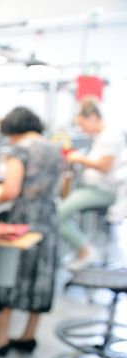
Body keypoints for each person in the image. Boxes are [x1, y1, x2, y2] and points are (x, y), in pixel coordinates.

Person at [0, 107, 61, 356]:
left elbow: (10, 191)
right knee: (41, 275)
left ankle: (0, 339)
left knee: (7, 272)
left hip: (25, 217)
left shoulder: (20, 149)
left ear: (12, 130)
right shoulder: (54, 147)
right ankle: (28, 336)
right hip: (49, 217)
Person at [59, 98, 126, 270]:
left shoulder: (110, 136)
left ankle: (85, 250)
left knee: (56, 214)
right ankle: (83, 249)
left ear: (93, 117)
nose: (82, 129)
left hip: (102, 191)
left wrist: (80, 158)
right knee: (60, 211)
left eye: (82, 124)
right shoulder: (102, 136)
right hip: (94, 188)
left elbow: (105, 166)